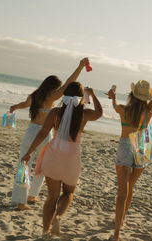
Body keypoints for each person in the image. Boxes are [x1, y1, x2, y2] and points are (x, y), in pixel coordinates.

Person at [21, 81, 102, 235]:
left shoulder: (55, 113)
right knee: (68, 193)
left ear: (64, 96)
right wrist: (93, 94)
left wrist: (29, 152)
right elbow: (99, 113)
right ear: (81, 97)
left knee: (52, 197)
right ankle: (58, 216)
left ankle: (45, 231)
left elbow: (43, 134)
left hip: (54, 157)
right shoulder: (84, 114)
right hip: (71, 159)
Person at [107, 52, 152, 241]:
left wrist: (113, 97)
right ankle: (122, 220)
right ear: (145, 97)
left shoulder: (123, 110)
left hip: (127, 145)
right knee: (130, 187)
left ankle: (117, 234)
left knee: (122, 192)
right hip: (142, 144)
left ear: (132, 95)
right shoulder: (149, 109)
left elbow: (115, 105)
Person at [11, 58, 89, 211]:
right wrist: (80, 66)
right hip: (43, 135)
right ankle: (32, 195)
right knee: (42, 167)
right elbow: (70, 81)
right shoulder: (51, 98)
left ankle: (22, 200)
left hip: (30, 133)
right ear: (53, 88)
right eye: (57, 88)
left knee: (24, 166)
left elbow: (22, 104)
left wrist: (14, 107)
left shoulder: (33, 97)